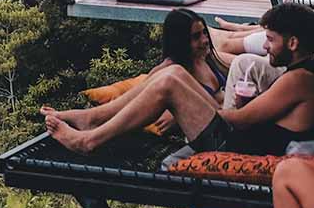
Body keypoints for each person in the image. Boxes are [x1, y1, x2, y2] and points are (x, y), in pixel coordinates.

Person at [43, 3, 314, 156]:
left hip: (234, 144)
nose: (266, 46)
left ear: (293, 43)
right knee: (174, 73)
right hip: (247, 137)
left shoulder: (298, 80)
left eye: (270, 39)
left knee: (170, 83)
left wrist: (191, 107)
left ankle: (90, 139)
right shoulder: (313, 70)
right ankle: (91, 118)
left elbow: (240, 119)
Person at [41, 7, 227, 137]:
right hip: (207, 125)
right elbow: (143, 105)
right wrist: (177, 113)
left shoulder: (208, 58)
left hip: (218, 122)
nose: (204, 40)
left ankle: (89, 118)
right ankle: (89, 118)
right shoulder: (172, 69)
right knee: (147, 88)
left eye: (204, 33)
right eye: (196, 37)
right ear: (181, 42)